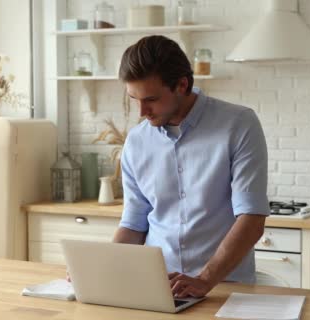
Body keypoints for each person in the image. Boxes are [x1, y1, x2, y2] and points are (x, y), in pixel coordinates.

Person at [112, 35, 270, 299]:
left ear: (182, 85)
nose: (141, 111)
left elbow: (252, 220)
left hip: (224, 289)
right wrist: (102, 266)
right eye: (134, 99)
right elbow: (134, 223)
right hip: (159, 290)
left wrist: (204, 280)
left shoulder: (239, 124)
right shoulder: (137, 142)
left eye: (150, 99)